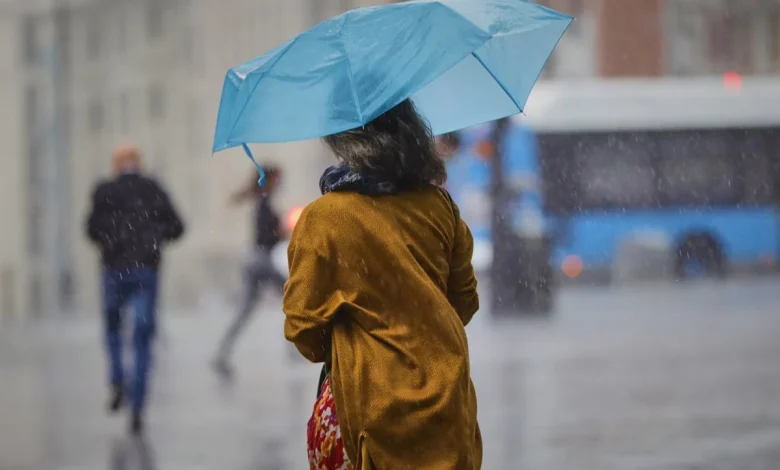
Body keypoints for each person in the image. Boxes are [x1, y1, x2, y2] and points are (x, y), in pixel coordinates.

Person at [284, 99, 482, 469]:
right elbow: (465, 303)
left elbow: (304, 331)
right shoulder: (440, 207)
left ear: (344, 139)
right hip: (448, 407)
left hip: (367, 413)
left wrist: (351, 332)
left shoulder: (323, 219)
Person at [85, 143, 185, 434]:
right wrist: (154, 238)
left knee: (113, 330)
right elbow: (177, 227)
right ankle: (138, 407)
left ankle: (117, 379)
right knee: (142, 339)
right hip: (145, 271)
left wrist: (112, 241)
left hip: (114, 270)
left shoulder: (104, 191)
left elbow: (91, 229)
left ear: (116, 165)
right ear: (138, 163)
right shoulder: (152, 188)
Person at [213, 166, 286, 377]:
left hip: (254, 260)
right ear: (270, 179)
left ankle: (223, 351)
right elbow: (266, 236)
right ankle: (298, 347)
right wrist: (281, 232)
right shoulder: (264, 203)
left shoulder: (262, 200)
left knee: (246, 310)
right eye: (278, 178)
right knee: (294, 296)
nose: (280, 182)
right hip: (260, 260)